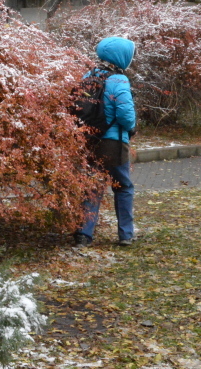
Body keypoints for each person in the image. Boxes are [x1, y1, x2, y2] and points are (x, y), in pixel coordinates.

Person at [74, 36, 137, 247]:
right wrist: (132, 129)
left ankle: (84, 233)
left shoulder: (87, 75)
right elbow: (126, 115)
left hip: (89, 141)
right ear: (122, 57)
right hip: (114, 143)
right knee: (123, 187)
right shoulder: (119, 80)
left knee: (92, 186)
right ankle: (126, 234)